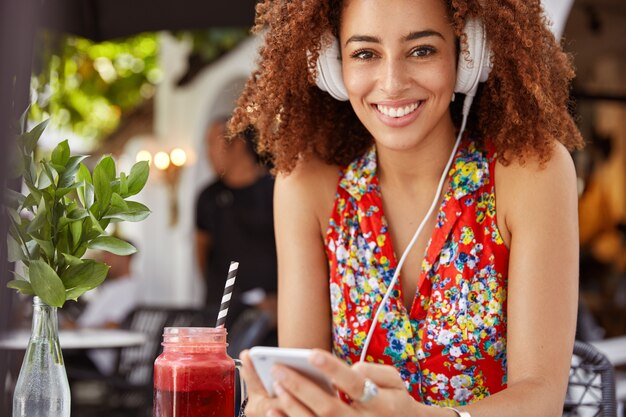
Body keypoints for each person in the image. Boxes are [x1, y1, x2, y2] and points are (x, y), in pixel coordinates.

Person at [229, 0, 584, 416]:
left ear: (468, 53)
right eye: (364, 54)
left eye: (422, 50)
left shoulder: (531, 172)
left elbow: (541, 397)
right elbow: (307, 385)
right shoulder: (307, 187)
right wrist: (280, 405)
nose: (392, 83)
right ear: (330, 66)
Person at [195, 117, 278, 333]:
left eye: (212, 143)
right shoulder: (208, 197)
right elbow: (202, 251)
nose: (208, 153)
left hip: (273, 312)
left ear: (238, 143)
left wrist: (282, 298)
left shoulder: (275, 190)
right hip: (223, 311)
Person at [66, 248, 140, 375]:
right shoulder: (113, 286)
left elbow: (112, 326)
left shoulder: (129, 289)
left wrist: (78, 328)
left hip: (98, 358)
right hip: (85, 349)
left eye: (110, 255)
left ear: (126, 257)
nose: (105, 260)